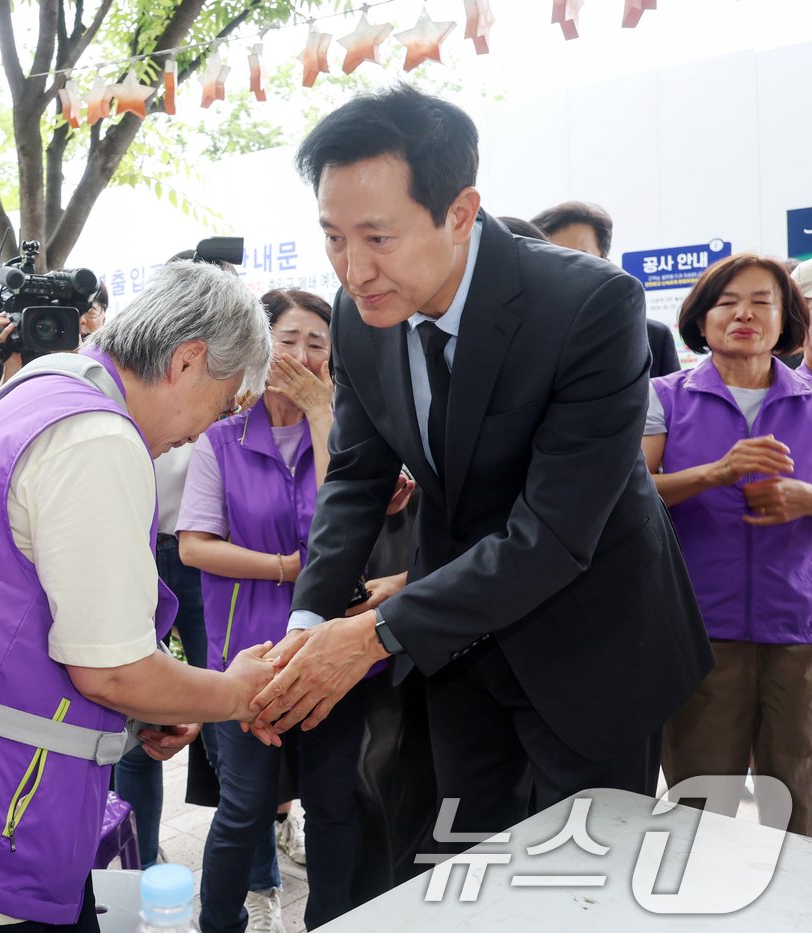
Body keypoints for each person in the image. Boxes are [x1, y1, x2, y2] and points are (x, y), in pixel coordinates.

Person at [255, 86, 712, 847]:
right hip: (458, 653)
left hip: (592, 648)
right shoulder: (364, 320)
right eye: (333, 237)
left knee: (581, 882)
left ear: (460, 211)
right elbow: (356, 479)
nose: (354, 268)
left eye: (377, 237)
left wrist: (371, 636)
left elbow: (558, 533)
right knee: (461, 870)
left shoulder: (589, 306)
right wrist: (307, 625)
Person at [0, 260, 278, 933]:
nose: (209, 428)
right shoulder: (97, 437)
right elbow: (113, 669)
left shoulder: (44, 389)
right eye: (226, 399)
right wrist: (234, 693)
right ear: (187, 361)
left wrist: (152, 702)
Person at [179, 289, 405, 933]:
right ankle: (219, 923)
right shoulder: (219, 440)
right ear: (261, 347)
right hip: (248, 658)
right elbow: (195, 546)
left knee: (334, 806)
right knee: (244, 807)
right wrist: (287, 568)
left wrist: (319, 411)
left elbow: (348, 506)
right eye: (288, 340)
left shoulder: (344, 432)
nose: (302, 354)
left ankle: (329, 922)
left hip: (335, 653)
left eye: (317, 343)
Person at [642, 254, 812, 835]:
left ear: (786, 318)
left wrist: (807, 498)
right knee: (700, 811)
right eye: (726, 301)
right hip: (698, 631)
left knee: (802, 806)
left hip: (800, 632)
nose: (744, 313)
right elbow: (629, 495)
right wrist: (716, 472)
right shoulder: (663, 397)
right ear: (701, 317)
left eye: (762, 301)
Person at [531, 199, 681, 377]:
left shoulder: (652, 337)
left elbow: (669, 403)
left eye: (578, 258)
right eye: (551, 256)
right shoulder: (515, 332)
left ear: (605, 265)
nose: (564, 268)